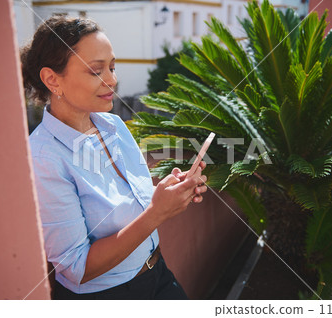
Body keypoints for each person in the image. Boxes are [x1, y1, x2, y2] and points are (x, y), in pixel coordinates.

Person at [21, 16, 208, 300]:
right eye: (96, 71)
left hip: (158, 274)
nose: (112, 80)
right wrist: (157, 212)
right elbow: (77, 267)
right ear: (51, 79)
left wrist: (172, 190)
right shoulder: (44, 157)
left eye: (112, 67)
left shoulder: (113, 125)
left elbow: (135, 200)